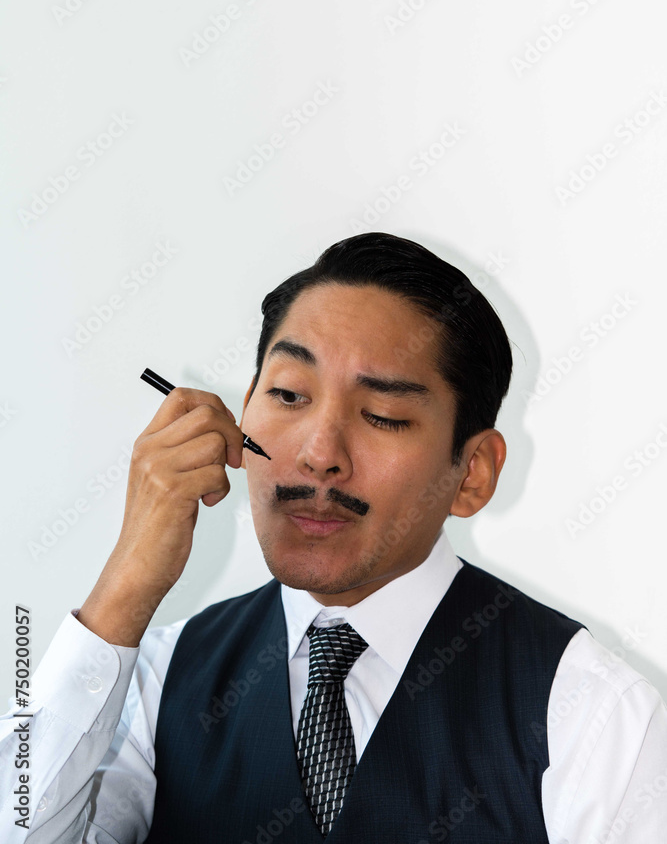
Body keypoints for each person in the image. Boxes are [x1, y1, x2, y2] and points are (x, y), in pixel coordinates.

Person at [2, 231, 666, 843]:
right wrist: (125, 589)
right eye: (289, 396)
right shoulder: (151, 680)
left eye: (383, 415)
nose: (319, 455)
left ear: (473, 473)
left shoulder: (590, 712)